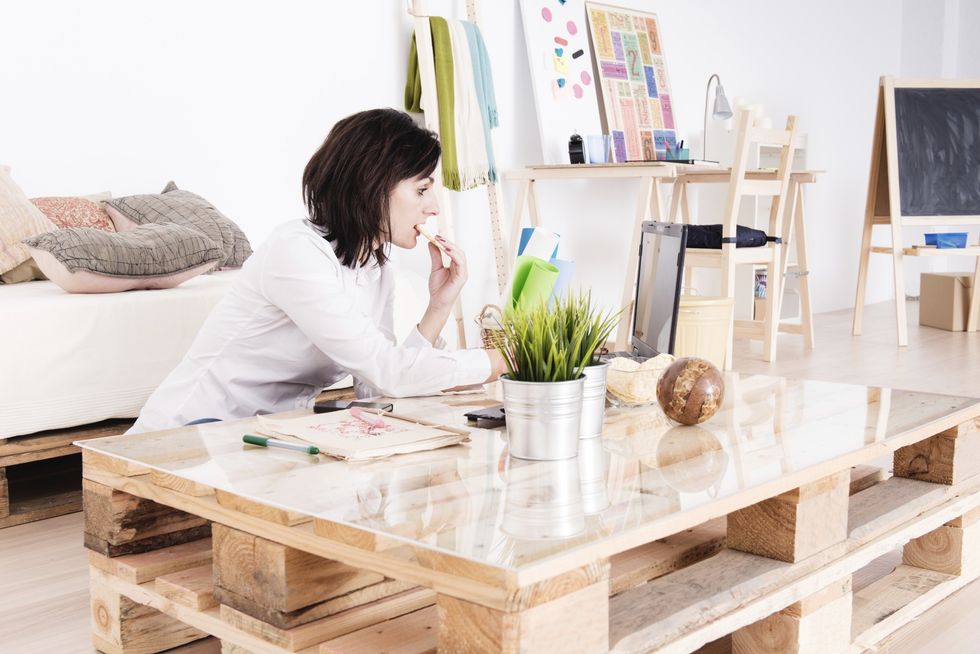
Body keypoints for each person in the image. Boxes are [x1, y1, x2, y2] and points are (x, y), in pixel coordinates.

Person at [128, 108, 506, 434]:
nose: (434, 206)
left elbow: (379, 386)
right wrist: (511, 359)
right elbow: (392, 372)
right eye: (422, 190)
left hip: (262, 441)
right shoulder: (295, 251)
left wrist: (439, 306)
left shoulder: (375, 266)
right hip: (190, 437)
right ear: (372, 187)